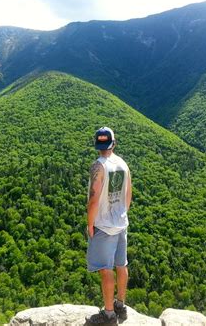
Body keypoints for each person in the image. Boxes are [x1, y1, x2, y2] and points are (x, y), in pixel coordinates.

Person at [85, 127, 132, 326]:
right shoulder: (123, 164)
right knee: (121, 264)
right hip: (121, 223)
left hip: (103, 225)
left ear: (97, 145)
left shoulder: (98, 166)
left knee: (105, 270)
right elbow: (128, 194)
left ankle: (110, 315)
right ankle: (120, 305)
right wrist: (122, 214)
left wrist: (90, 224)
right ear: (114, 143)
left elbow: (94, 200)